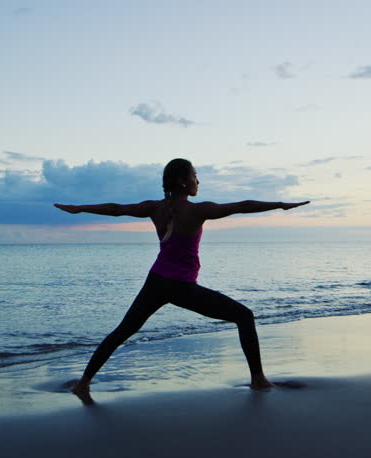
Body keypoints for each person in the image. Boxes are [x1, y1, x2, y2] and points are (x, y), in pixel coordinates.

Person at [54, 158, 308, 403]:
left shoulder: (155, 208)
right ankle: (258, 380)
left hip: (156, 282)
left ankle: (83, 383)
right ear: (182, 181)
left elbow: (116, 209)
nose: (198, 180)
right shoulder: (197, 210)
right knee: (244, 316)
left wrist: (79, 208)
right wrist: (280, 204)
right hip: (181, 287)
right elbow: (241, 205)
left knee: (123, 331)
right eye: (194, 175)